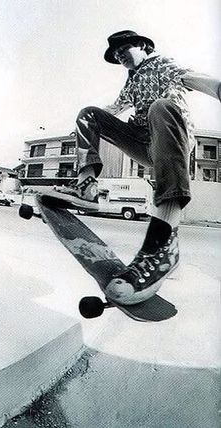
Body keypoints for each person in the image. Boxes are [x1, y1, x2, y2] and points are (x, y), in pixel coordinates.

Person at [59, 30, 221, 304]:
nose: (120, 57)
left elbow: (192, 77)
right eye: (117, 55)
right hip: (141, 141)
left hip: (172, 135)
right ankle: (86, 185)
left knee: (160, 106)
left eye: (124, 50)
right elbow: (114, 108)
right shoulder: (131, 81)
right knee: (88, 114)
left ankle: (163, 247)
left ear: (143, 46)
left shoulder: (162, 64)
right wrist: (85, 130)